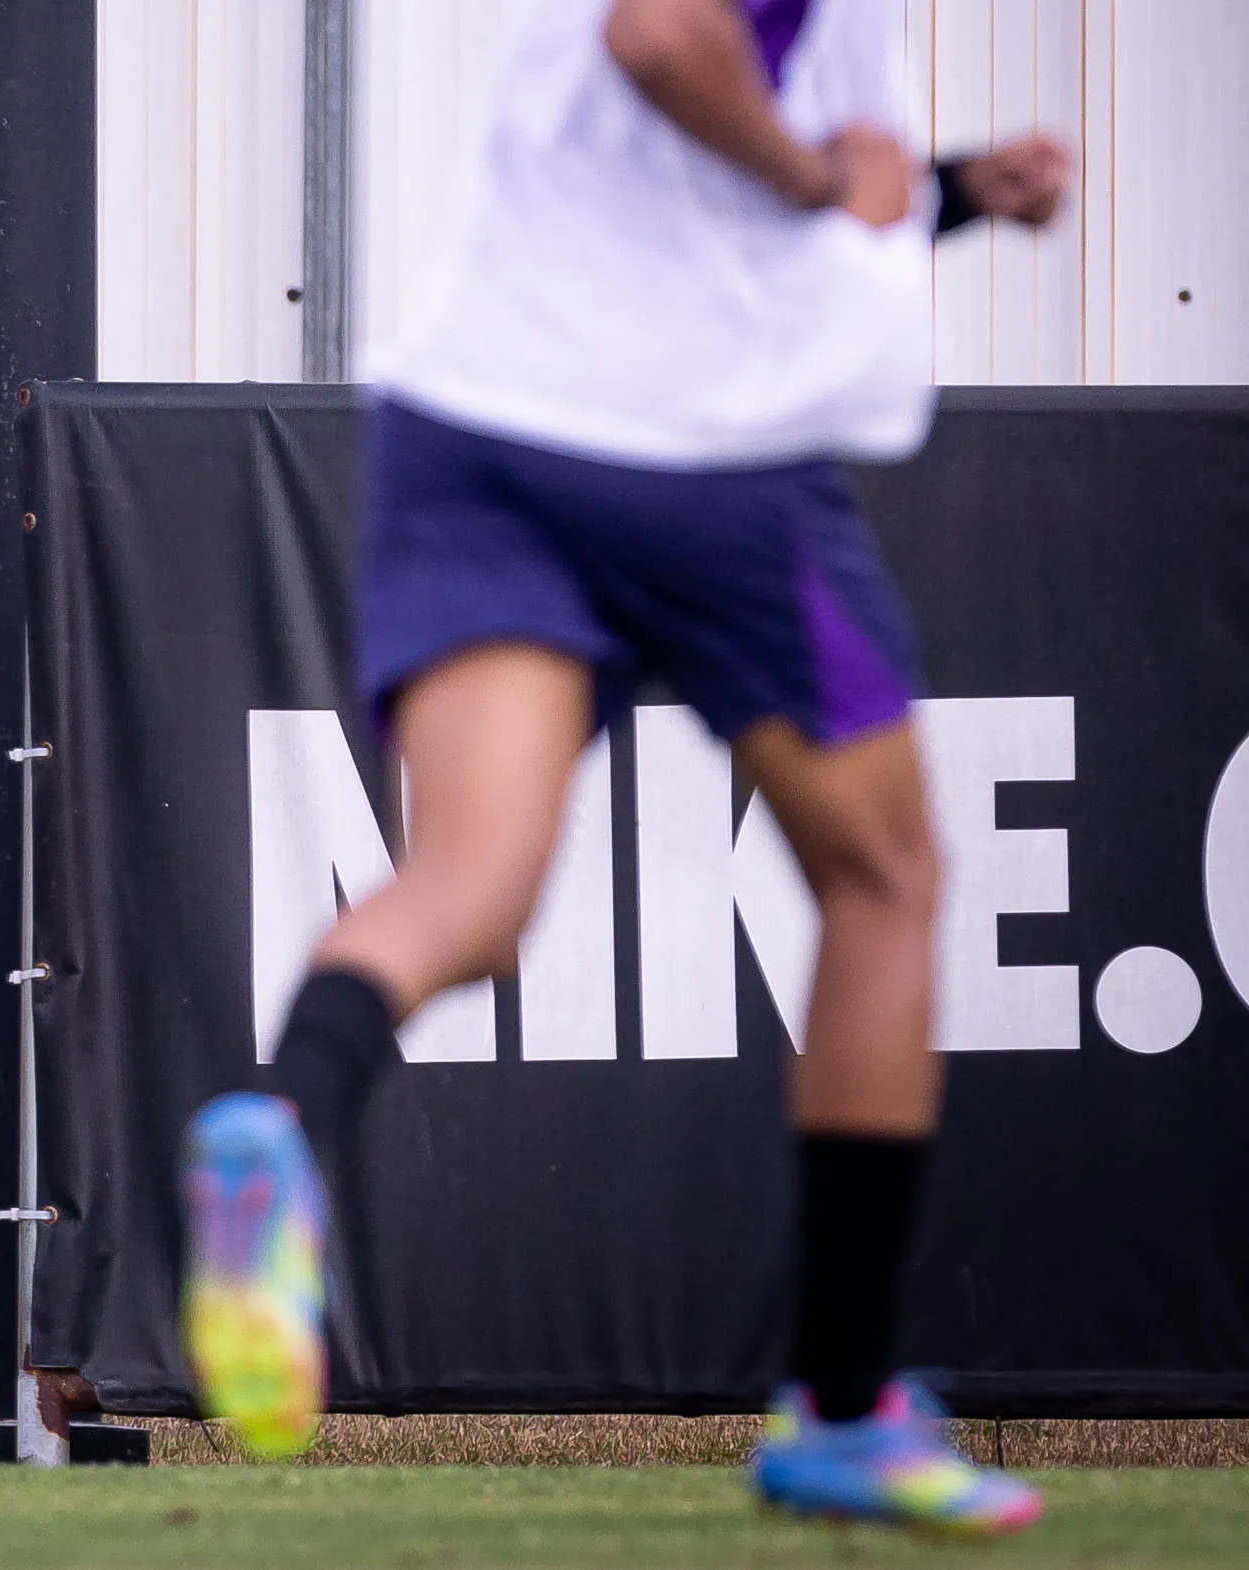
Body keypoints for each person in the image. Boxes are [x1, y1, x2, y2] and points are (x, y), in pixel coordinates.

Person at [180, 0, 1069, 1536]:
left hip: (475, 434)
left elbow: (726, 153)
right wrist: (811, 178)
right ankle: (848, 1407)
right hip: (699, 457)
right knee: (886, 876)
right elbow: (666, 40)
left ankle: (283, 1114)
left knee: (471, 884)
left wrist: (956, 190)